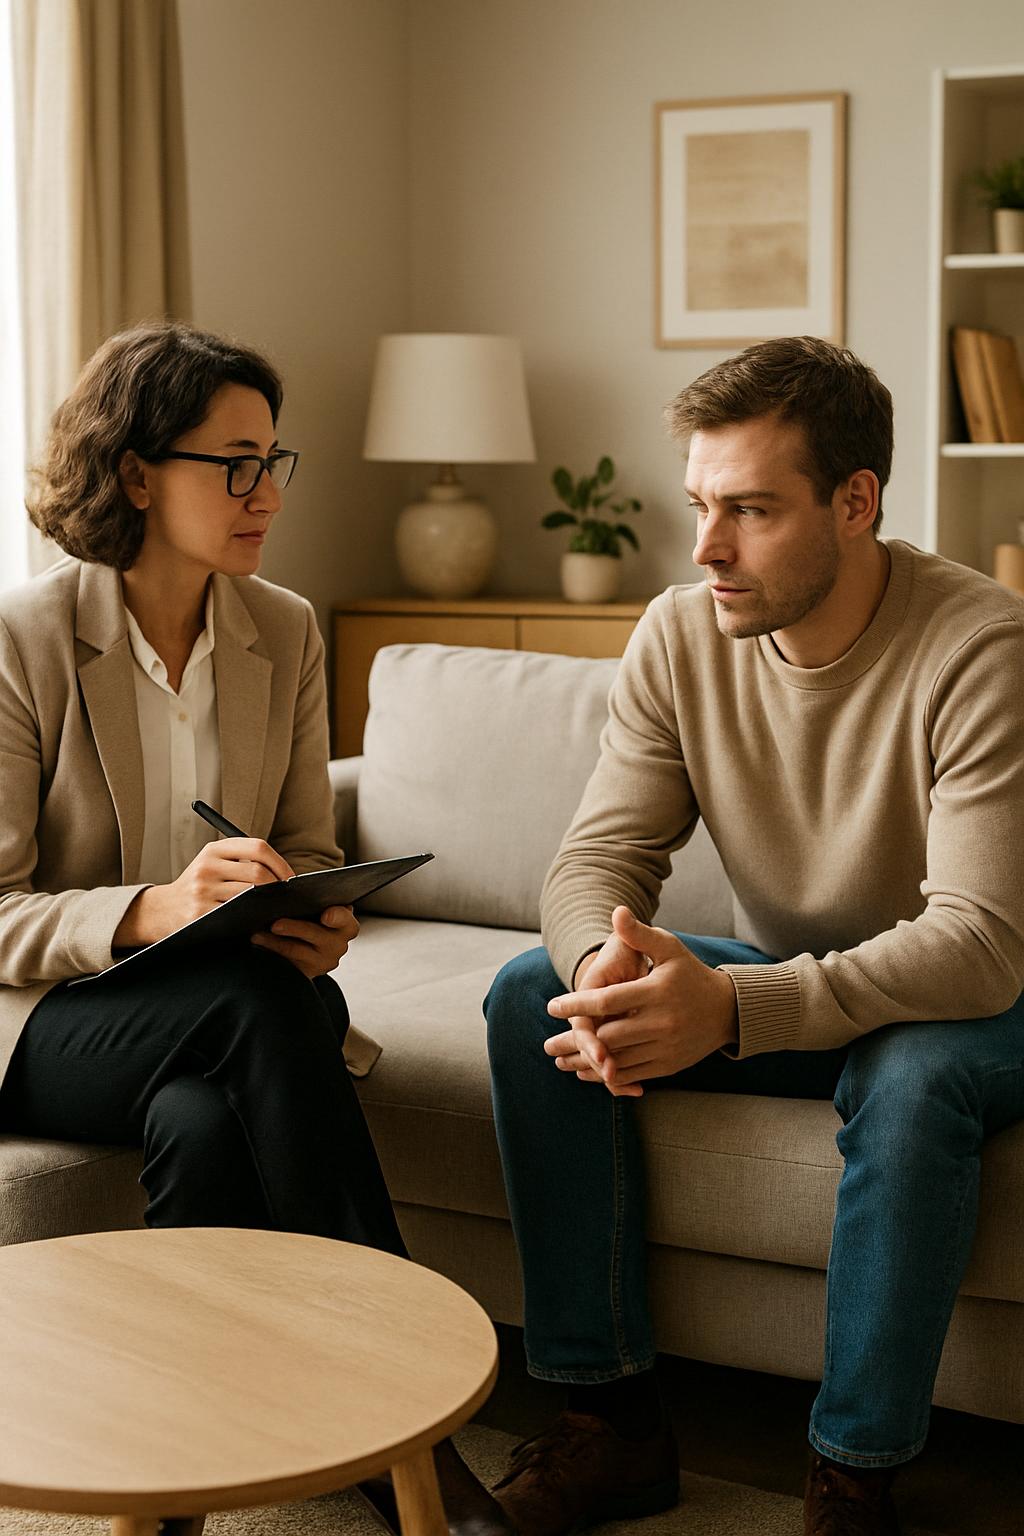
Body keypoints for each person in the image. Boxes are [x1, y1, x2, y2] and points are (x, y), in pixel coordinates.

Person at [484, 336, 1024, 1536]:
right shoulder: (680, 636)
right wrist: (603, 973)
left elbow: (980, 942)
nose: (706, 548)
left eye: (749, 510)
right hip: (814, 983)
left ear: (855, 502)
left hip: (989, 1003)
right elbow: (592, 864)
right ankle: (608, 1425)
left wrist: (733, 1009)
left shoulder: (981, 644)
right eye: (699, 507)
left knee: (914, 1066)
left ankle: (852, 1475)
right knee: (534, 993)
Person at [0, 319, 510, 1536]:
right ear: (134, 472)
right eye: (233, 463)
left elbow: (310, 846)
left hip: (217, 1023)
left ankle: (188, 1458)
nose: (265, 492)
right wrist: (152, 910)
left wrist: (317, 918)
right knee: (259, 1010)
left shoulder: (279, 628)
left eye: (276, 460)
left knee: (209, 1099)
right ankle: (409, 1430)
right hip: (42, 1027)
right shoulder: (23, 642)